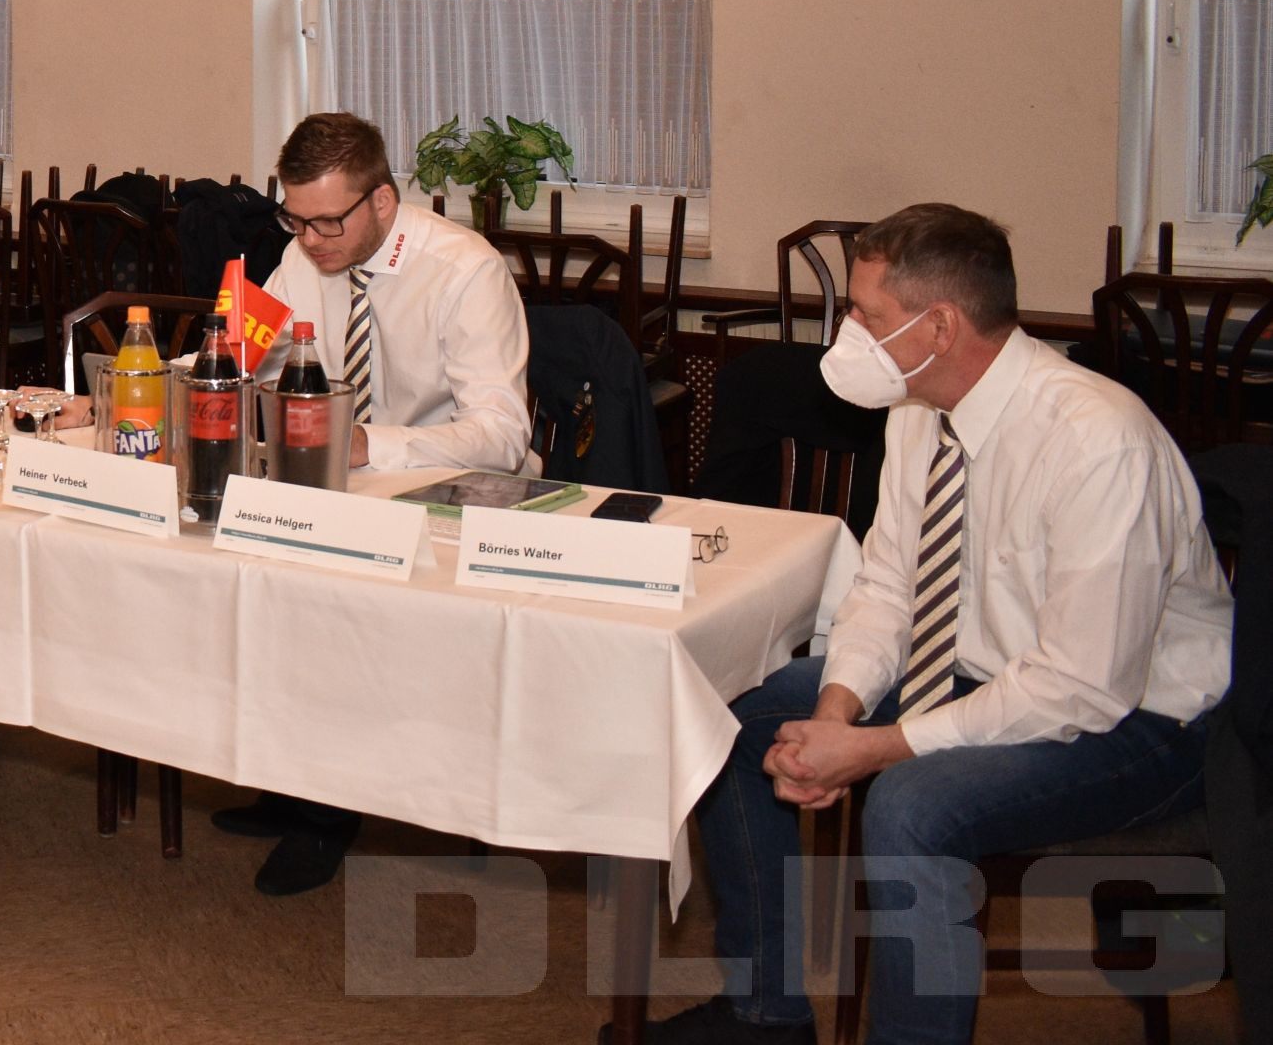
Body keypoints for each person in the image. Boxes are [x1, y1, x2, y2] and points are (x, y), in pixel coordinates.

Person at [631, 204, 1230, 1045]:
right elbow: (886, 588)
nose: (847, 331)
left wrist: (875, 748)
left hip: (1144, 723)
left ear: (939, 326)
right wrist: (834, 714)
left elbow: (1079, 688)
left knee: (912, 804)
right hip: (978, 673)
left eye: (865, 313)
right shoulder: (920, 409)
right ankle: (763, 1012)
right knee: (737, 708)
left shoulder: (1099, 442)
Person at [212, 111, 535, 896]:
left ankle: (325, 814)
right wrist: (168, 381)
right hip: (343, 482)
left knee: (334, 598)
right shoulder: (300, 257)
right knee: (252, 579)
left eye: (327, 221)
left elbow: (501, 435)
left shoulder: (463, 270)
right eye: (295, 219)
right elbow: (244, 357)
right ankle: (293, 781)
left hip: (450, 494)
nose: (310, 239)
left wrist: (365, 443)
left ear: (382, 201)